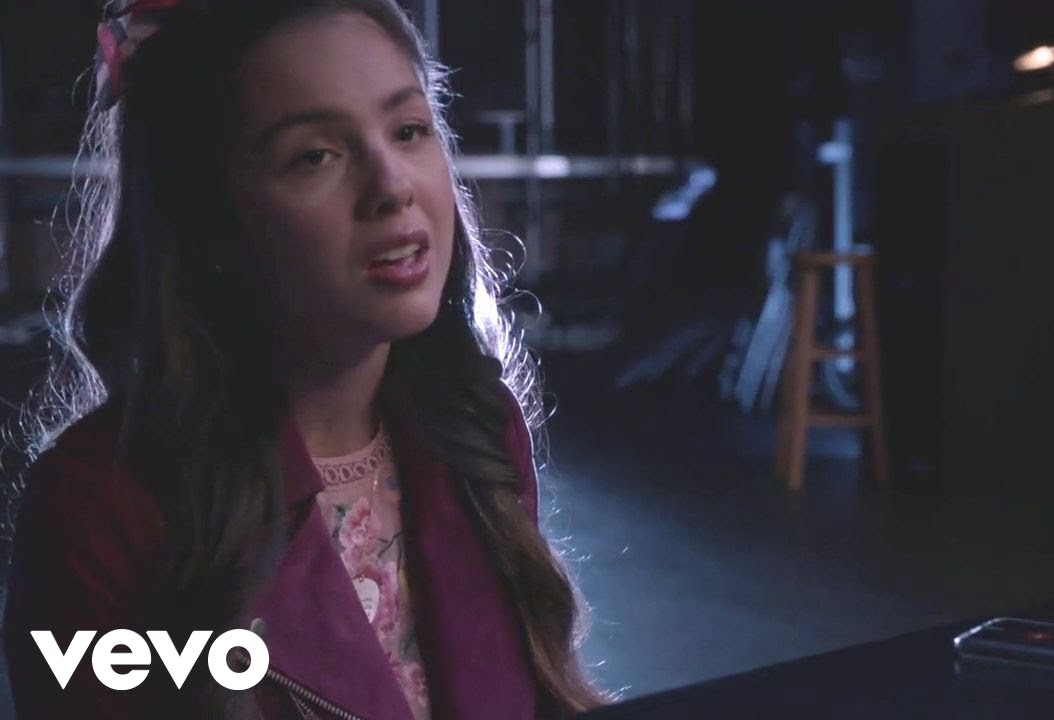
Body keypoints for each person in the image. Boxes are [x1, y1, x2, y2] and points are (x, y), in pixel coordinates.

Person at [1, 0, 605, 717]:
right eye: (315, 155)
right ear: (209, 223)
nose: (392, 187)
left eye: (409, 130)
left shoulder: (478, 432)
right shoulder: (98, 513)